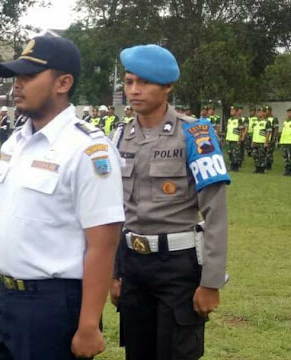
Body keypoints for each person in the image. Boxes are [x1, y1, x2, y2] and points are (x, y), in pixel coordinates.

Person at [0, 35, 125, 360]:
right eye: (16, 77)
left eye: (29, 76)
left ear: (63, 82)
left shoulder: (88, 149)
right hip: (9, 299)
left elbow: (103, 243)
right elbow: (8, 220)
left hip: (53, 305)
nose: (17, 85)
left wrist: (89, 324)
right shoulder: (15, 143)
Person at [110, 44, 230, 360]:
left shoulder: (195, 133)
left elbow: (215, 210)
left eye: (144, 82)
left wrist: (211, 282)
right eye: (129, 81)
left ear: (168, 87)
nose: (134, 90)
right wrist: (114, 272)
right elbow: (115, 211)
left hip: (179, 267)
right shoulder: (119, 137)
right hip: (134, 265)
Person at [251, 106, 271, 174]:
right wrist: (253, 141)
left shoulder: (267, 122)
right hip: (256, 141)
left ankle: (262, 169)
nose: (259, 113)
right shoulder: (256, 122)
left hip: (262, 141)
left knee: (262, 156)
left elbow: (268, 132)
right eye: (258, 112)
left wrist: (266, 142)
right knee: (255, 155)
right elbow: (255, 132)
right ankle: (257, 167)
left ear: (265, 113)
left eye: (261, 112)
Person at [225, 105, 245, 171]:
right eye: (231, 110)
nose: (231, 112)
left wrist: (240, 138)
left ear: (236, 112)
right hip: (229, 138)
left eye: (233, 110)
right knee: (230, 152)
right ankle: (231, 165)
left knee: (236, 153)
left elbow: (241, 130)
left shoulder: (239, 120)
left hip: (235, 139)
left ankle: (236, 166)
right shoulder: (229, 120)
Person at [264, 105, 279, 170]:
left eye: (266, 110)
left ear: (270, 111)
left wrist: (274, 138)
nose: (265, 112)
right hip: (264, 138)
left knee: (269, 152)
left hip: (271, 137)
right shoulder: (264, 119)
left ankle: (269, 165)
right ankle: (264, 163)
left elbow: (276, 129)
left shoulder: (274, 119)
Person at [280, 108, 291, 176]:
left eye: (290, 113)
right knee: (285, 157)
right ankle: (287, 170)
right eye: (288, 113)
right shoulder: (285, 122)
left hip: (290, 142)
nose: (288, 114)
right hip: (284, 142)